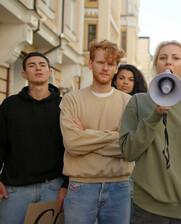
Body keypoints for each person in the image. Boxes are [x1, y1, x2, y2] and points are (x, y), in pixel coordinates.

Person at [119, 40, 181, 224]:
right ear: (155, 65)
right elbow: (128, 152)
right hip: (147, 209)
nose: (168, 62)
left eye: (175, 58)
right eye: (163, 57)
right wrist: (154, 116)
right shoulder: (138, 102)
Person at [0, 52, 68, 223]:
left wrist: (66, 185)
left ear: (50, 72)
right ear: (24, 74)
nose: (38, 68)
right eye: (31, 65)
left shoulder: (64, 106)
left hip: (52, 187)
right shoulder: (10, 105)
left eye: (42, 65)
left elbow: (70, 148)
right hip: (15, 190)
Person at [60, 40, 132, 224]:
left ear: (116, 68)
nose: (105, 68)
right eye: (100, 62)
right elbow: (73, 144)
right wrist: (115, 135)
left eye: (110, 64)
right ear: (90, 64)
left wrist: (87, 134)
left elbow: (128, 148)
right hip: (80, 185)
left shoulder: (128, 102)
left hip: (120, 186)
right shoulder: (71, 100)